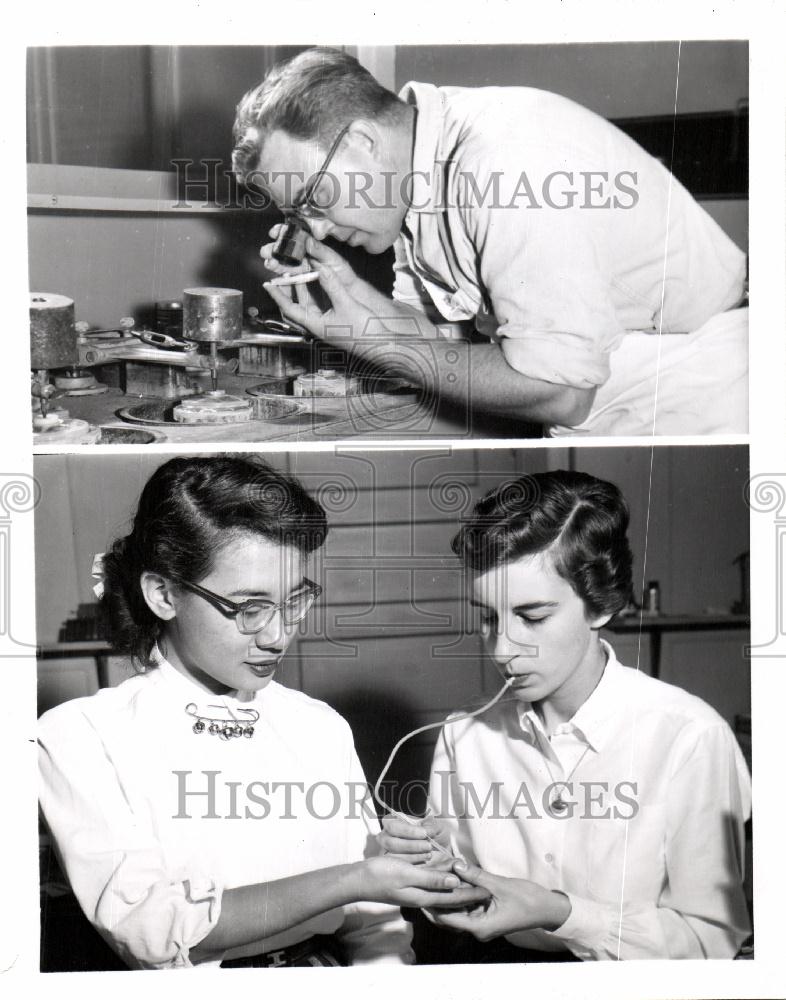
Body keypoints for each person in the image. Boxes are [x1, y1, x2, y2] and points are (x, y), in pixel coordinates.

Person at [38, 456, 487, 970]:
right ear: (162, 594)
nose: (277, 636)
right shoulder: (80, 736)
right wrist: (354, 878)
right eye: (249, 609)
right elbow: (151, 931)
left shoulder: (318, 725)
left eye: (294, 601)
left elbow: (374, 924)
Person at [232, 47, 748, 437]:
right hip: (617, 386)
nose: (318, 230)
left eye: (316, 198)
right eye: (300, 214)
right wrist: (354, 311)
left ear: (364, 141)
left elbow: (560, 390)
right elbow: (436, 337)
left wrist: (385, 347)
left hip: (700, 385)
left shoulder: (505, 164)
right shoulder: (420, 169)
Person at [379, 470, 752, 960]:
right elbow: (455, 897)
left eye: (532, 617)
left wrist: (560, 912)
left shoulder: (690, 736)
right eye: (488, 617)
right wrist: (433, 868)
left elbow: (711, 943)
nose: (503, 648)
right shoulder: (463, 733)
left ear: (601, 605)